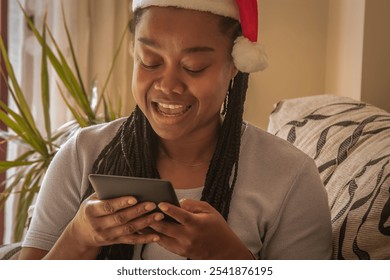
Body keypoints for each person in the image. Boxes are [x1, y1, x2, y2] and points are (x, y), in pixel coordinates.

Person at [19, 0, 332, 260]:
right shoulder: (81, 154)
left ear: (235, 63)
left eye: (194, 66)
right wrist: (80, 237)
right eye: (150, 61)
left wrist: (229, 257)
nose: (168, 85)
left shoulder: (290, 176)